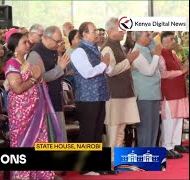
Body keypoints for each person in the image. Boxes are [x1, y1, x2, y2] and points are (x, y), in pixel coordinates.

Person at [4, 32, 63, 180]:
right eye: (24, 42)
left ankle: (41, 174)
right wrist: (34, 78)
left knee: (39, 140)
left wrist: (39, 80)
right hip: (21, 112)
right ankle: (23, 175)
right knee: (23, 141)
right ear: (15, 47)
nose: (28, 44)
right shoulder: (12, 64)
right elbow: (17, 89)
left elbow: (39, 82)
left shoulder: (27, 63)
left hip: (36, 109)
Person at [71, 21, 111, 175]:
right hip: (87, 98)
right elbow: (87, 73)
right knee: (87, 132)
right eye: (94, 31)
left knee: (96, 132)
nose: (97, 34)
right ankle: (85, 167)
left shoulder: (96, 49)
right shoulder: (79, 52)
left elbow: (106, 68)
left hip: (99, 95)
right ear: (84, 34)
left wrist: (109, 65)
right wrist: (104, 64)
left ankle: (97, 165)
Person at [101, 17, 140, 171]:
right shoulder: (107, 48)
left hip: (125, 92)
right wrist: (128, 60)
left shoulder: (118, 46)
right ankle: (110, 161)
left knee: (121, 128)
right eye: (120, 29)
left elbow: (122, 68)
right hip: (114, 94)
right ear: (110, 31)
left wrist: (130, 63)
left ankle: (120, 160)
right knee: (114, 128)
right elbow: (110, 71)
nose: (124, 31)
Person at [27, 26, 70, 143]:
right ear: (46, 38)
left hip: (56, 97)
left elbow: (59, 71)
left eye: (61, 41)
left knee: (60, 135)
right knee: (51, 136)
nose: (59, 44)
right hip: (44, 102)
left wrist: (62, 68)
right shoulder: (35, 54)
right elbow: (40, 78)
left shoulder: (53, 50)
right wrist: (60, 68)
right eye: (57, 41)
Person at [159, 31, 189, 158]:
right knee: (169, 120)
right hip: (169, 92)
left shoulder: (173, 53)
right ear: (164, 40)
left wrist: (185, 69)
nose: (174, 41)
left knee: (178, 118)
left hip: (178, 90)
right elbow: (163, 74)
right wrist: (181, 71)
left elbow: (180, 69)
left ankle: (175, 144)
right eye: (172, 39)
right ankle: (166, 146)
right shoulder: (160, 54)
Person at [131, 31, 162, 147]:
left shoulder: (148, 49)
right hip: (144, 95)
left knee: (154, 128)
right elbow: (149, 71)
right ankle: (144, 158)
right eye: (147, 36)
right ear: (138, 37)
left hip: (154, 93)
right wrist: (156, 55)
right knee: (145, 128)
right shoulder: (137, 52)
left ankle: (151, 157)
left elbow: (158, 68)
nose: (150, 38)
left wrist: (156, 54)